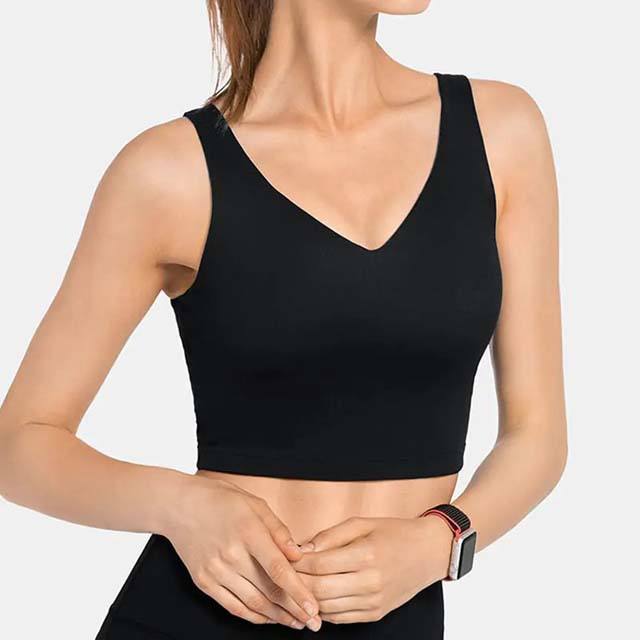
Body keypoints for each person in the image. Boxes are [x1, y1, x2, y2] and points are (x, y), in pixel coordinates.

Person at [0, 1, 567, 637]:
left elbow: (538, 438)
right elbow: (19, 443)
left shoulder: (500, 132)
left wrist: (441, 541)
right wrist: (180, 506)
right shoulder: (171, 171)